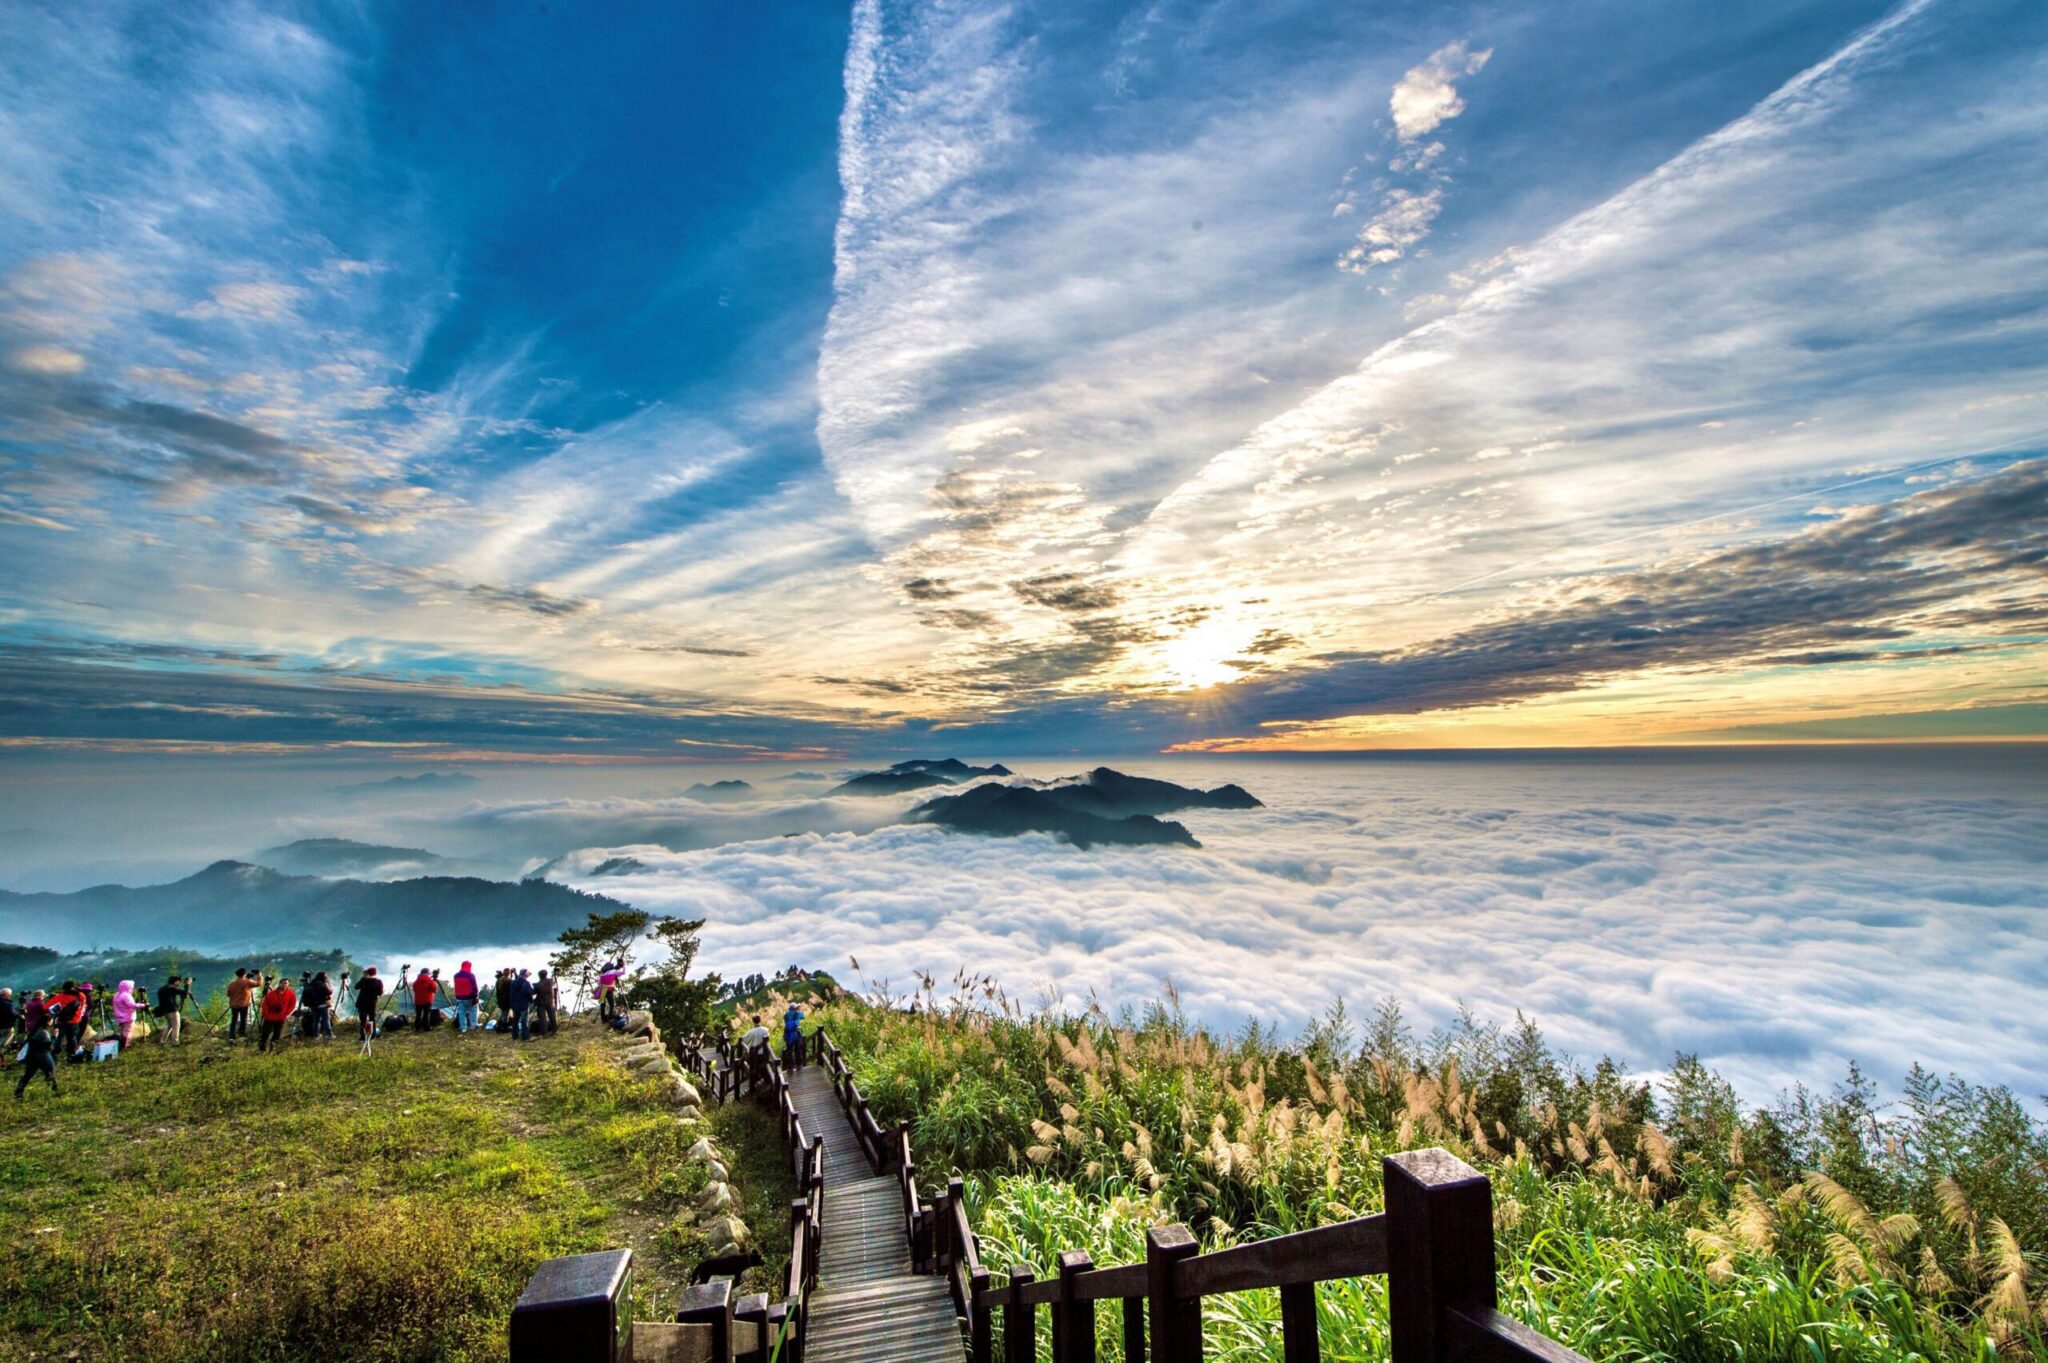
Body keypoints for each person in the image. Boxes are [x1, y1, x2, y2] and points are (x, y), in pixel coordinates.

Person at [13, 1024, 56, 1099]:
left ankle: (18, 1092)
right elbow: (50, 1046)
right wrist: (55, 1037)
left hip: (32, 1057)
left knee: (27, 1075)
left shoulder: (35, 1031)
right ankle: (54, 1091)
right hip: (44, 1056)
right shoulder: (44, 1033)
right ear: (48, 1022)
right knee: (50, 1074)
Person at [258, 975, 297, 1052]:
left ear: (288, 984)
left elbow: (292, 1005)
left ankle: (272, 1049)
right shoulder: (271, 994)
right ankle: (261, 1049)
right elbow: (265, 1004)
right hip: (269, 1018)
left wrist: (286, 1014)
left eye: (286, 983)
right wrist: (266, 1014)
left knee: (277, 1034)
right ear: (279, 984)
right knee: (265, 1033)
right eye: (283, 983)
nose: (284, 984)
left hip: (280, 1018)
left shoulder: (291, 994)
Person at [49, 981, 87, 1060]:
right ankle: (71, 1053)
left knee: (59, 1036)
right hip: (74, 1020)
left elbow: (46, 1007)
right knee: (72, 1038)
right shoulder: (80, 996)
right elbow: (83, 1008)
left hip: (61, 1020)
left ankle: (55, 1052)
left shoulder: (60, 996)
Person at [154, 974, 190, 1046]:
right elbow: (185, 993)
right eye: (178, 982)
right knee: (176, 1026)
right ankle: (175, 1043)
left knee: (170, 1025)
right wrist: (187, 984)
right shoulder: (172, 988)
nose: (179, 983)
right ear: (175, 982)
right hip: (172, 1010)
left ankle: (162, 1042)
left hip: (164, 1011)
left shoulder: (162, 989)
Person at [224, 968, 258, 1041]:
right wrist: (259, 975)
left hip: (234, 1004)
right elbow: (259, 984)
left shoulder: (232, 983)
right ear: (244, 974)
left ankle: (231, 1036)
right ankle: (241, 1033)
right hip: (243, 1004)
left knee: (234, 1020)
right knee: (243, 1019)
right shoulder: (247, 982)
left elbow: (228, 994)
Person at [353, 967, 385, 1040]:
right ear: (375, 973)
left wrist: (363, 978)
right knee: (372, 1019)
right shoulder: (378, 981)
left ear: (367, 973)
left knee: (363, 1020)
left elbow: (356, 987)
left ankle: (363, 1036)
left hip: (362, 1003)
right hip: (372, 1003)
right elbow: (380, 993)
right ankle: (372, 1035)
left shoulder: (363, 980)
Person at [504, 968, 536, 1041]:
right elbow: (530, 992)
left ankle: (514, 1035)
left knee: (515, 1020)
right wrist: (531, 1000)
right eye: (528, 973)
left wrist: (512, 1003)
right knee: (524, 1021)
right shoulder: (526, 983)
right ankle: (525, 1036)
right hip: (523, 1004)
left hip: (515, 1004)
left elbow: (511, 993)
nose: (529, 974)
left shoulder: (514, 982)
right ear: (525, 974)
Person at [111, 980, 143, 1051]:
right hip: (128, 1017)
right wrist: (142, 1005)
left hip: (120, 1017)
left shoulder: (116, 995)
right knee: (128, 1032)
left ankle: (119, 1045)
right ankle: (125, 1046)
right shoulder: (126, 995)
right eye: (131, 987)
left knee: (122, 1032)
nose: (132, 989)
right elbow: (132, 1005)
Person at [303, 972, 334, 1040]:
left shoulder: (311, 984)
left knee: (316, 1021)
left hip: (313, 1006)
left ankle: (316, 1035)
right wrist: (328, 984)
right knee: (326, 1020)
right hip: (323, 1005)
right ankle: (328, 1034)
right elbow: (329, 992)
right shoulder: (322, 984)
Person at [451, 961, 479, 1034]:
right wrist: (476, 996)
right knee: (473, 1010)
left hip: (460, 997)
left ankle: (463, 1027)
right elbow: (474, 987)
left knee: (461, 1012)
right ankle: (473, 1025)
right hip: (470, 996)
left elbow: (457, 986)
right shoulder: (471, 975)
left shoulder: (456, 976)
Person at [532, 970, 558, 1036]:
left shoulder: (537, 985)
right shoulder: (551, 981)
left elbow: (533, 992)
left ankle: (544, 1032)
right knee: (552, 1017)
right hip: (550, 1001)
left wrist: (534, 985)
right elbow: (554, 982)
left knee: (542, 1018)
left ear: (539, 976)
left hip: (541, 1002)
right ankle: (554, 1030)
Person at [782, 1001, 806, 1069]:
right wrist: (799, 1010)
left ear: (789, 1008)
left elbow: (786, 1022)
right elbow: (803, 1016)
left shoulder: (785, 1015)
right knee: (798, 1049)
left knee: (789, 1051)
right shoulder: (798, 1013)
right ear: (795, 1008)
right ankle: (798, 1065)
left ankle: (790, 1066)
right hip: (796, 1033)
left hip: (788, 1034)